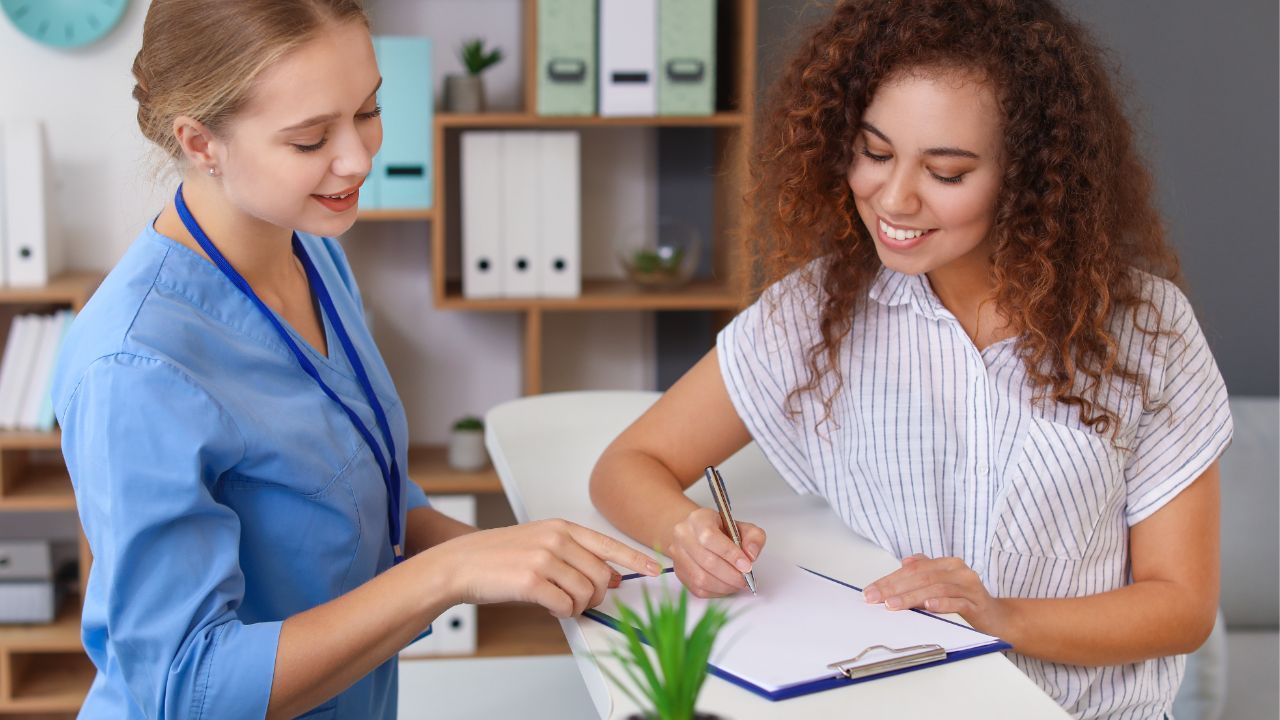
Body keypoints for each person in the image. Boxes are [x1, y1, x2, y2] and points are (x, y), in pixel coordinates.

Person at [589, 1, 1232, 718]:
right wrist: (685, 532)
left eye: (947, 172)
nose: (894, 198)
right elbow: (628, 465)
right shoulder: (815, 312)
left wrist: (1000, 616)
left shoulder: (1146, 328)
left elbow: (1181, 607)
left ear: (1029, 176)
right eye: (874, 151)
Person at [52, 1, 660, 718]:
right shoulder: (134, 365)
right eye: (310, 139)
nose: (360, 158)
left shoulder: (313, 253)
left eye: (368, 110)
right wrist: (451, 573)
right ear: (199, 141)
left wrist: (521, 561)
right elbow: (188, 689)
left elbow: (367, 490)